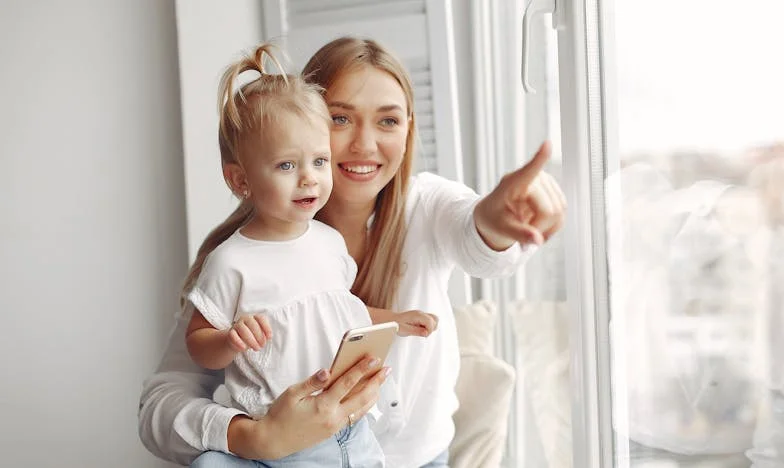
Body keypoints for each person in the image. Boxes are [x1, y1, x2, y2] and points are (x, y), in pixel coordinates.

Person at [139, 36, 566, 468]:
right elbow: (163, 401)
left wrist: (495, 221)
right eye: (340, 118)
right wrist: (253, 437)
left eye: (388, 121)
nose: (364, 145)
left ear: (408, 130)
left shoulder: (424, 207)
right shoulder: (236, 259)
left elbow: (474, 235)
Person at [179, 42, 439, 467]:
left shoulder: (326, 243)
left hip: (352, 428)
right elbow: (197, 344)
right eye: (286, 166)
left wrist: (393, 319)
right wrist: (228, 341)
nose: (309, 180)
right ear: (240, 180)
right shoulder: (231, 263)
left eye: (320, 161)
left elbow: (339, 311)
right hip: (286, 438)